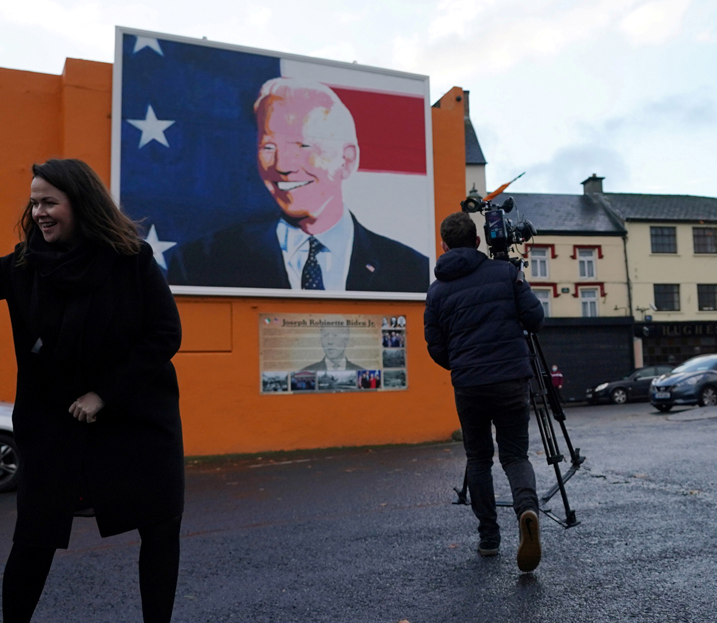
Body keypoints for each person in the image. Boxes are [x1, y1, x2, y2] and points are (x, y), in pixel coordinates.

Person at [0, 158, 185, 623]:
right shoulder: (23, 266)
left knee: (161, 527)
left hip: (135, 420)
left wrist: (103, 393)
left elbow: (164, 337)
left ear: (79, 204)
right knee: (34, 538)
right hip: (53, 424)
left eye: (48, 202)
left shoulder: (132, 261)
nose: (37, 212)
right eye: (34, 202)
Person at [165, 78, 429, 292]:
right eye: (269, 146)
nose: (282, 165)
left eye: (302, 145)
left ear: (347, 160)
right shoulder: (202, 262)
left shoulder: (412, 271)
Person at [423, 211, 545, 572]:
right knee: (514, 456)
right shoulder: (505, 273)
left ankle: (489, 538)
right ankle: (526, 510)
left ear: (443, 245)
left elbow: (435, 347)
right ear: (478, 242)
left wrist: (463, 364)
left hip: (469, 384)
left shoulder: (437, 291)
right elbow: (535, 319)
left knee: (479, 459)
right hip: (510, 379)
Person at [301, 322, 366, 371]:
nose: (330, 342)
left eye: (335, 335)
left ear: (346, 340)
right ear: (321, 340)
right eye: (325, 335)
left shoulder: (360, 371)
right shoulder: (307, 371)